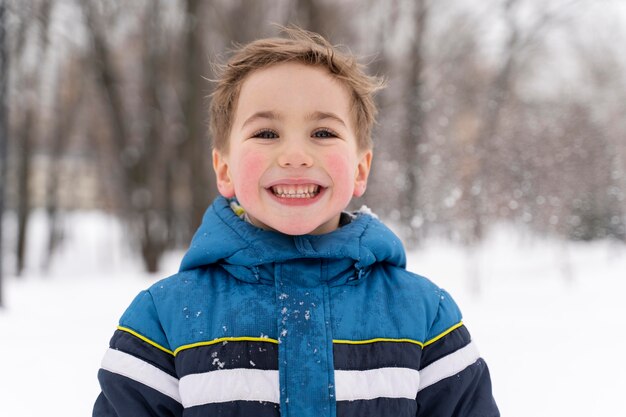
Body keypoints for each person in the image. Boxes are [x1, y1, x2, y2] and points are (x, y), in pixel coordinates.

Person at [93, 27, 499, 417]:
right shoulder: (163, 319)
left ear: (361, 169)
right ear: (225, 169)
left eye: (322, 132)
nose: (295, 155)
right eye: (267, 133)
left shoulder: (424, 317)